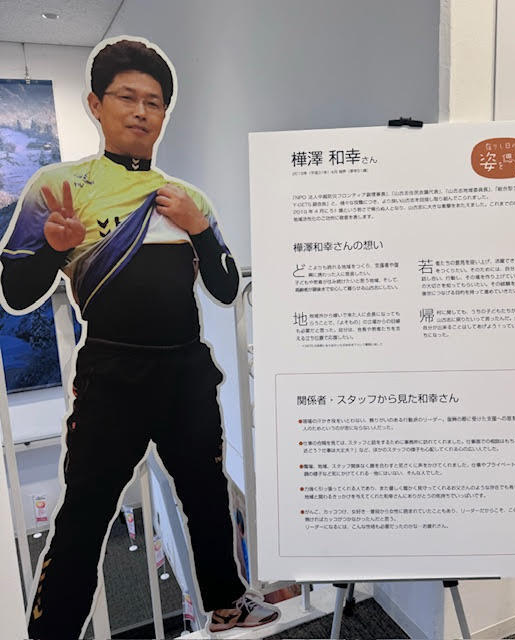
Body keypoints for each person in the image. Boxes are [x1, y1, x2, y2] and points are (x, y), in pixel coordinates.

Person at [0, 38, 279, 639]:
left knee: (206, 495)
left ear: (164, 114)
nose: (140, 111)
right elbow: (16, 294)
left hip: (186, 372)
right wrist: (51, 248)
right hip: (111, 375)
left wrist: (199, 229)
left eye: (153, 101)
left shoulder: (186, 198)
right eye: (126, 97)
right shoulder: (58, 186)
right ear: (95, 105)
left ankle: (227, 605)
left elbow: (226, 287)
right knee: (85, 511)